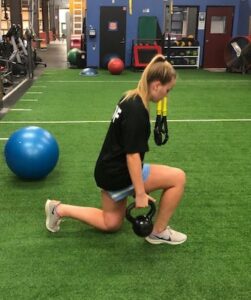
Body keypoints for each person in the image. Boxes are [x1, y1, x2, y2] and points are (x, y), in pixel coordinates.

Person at [45, 54, 187, 245]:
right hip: (120, 174)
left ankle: (58, 209)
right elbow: (132, 156)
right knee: (177, 178)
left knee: (110, 223)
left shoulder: (130, 96)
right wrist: (139, 193)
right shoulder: (137, 111)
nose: (166, 95)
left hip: (107, 171)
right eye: (167, 90)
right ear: (156, 86)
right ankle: (158, 232)